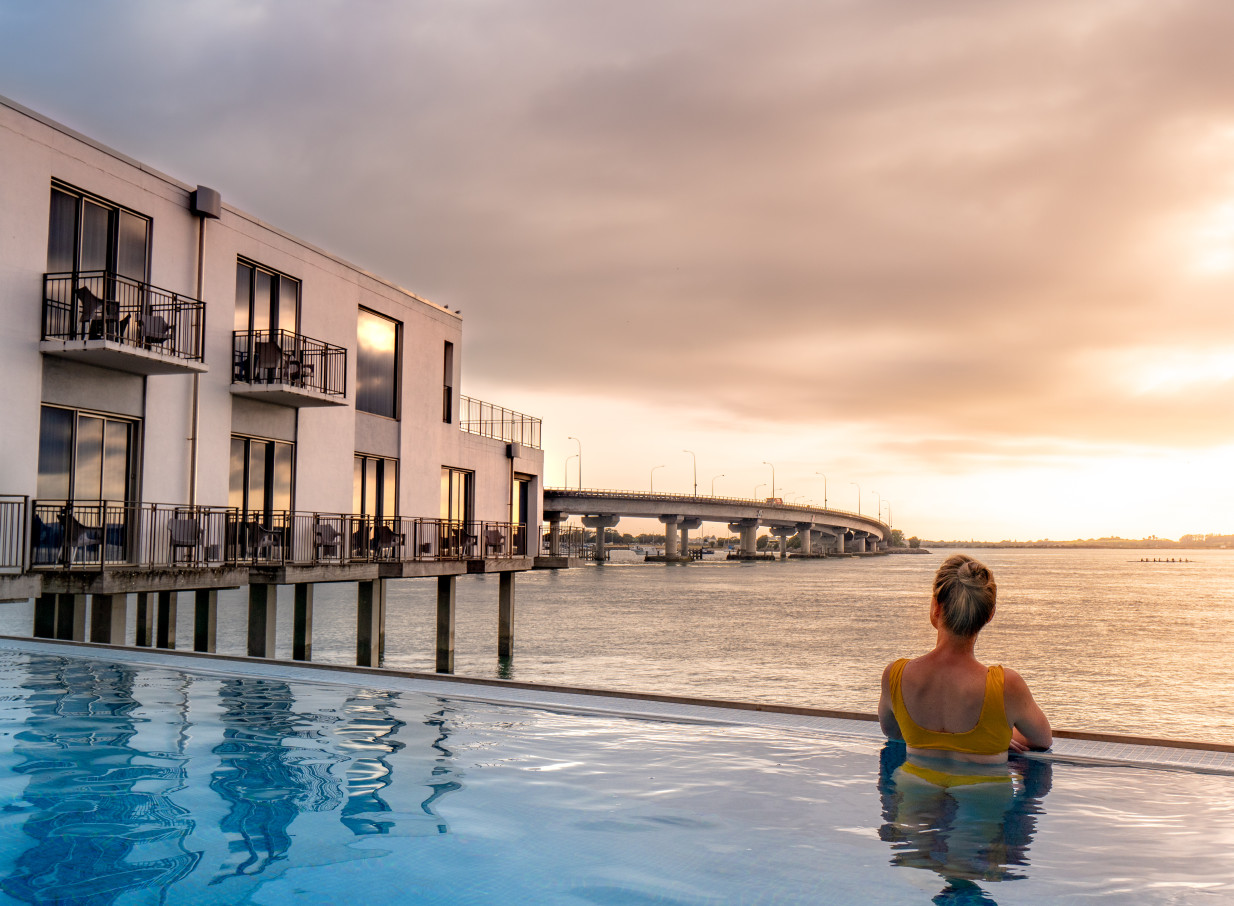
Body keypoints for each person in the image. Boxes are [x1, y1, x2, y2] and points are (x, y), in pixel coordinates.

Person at [878, 554, 1052, 762]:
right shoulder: (1006, 686)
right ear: (989, 615)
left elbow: (894, 733)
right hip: (981, 793)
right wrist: (996, 736)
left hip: (914, 790)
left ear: (936, 607)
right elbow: (1043, 740)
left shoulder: (895, 677)